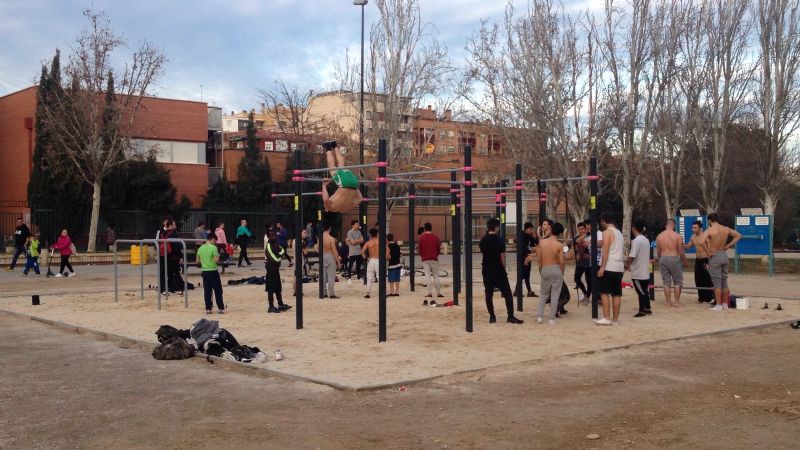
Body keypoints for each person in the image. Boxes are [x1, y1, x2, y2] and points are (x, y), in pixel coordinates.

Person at [479, 218, 524, 324]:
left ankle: (492, 317)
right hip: (498, 270)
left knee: (488, 293)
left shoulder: (483, 241)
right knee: (507, 294)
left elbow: (483, 254)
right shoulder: (499, 240)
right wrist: (503, 268)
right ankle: (510, 316)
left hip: (486, 270)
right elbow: (502, 257)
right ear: (496, 227)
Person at [702, 212, 742, 311]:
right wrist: (728, 246)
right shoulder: (726, 229)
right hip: (724, 255)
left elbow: (700, 241)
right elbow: (738, 235)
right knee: (724, 281)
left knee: (716, 283)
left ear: (709, 220)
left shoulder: (710, 230)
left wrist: (708, 252)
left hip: (714, 255)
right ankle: (725, 304)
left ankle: (718, 305)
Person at [595, 212, 624, 326]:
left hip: (609, 265)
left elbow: (605, 250)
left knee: (604, 292)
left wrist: (602, 267)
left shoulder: (606, 232)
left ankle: (607, 317)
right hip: (619, 266)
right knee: (617, 293)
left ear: (603, 220)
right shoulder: (619, 233)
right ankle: (615, 319)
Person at [319, 140, 364, 213]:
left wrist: (355, 187)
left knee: (341, 166)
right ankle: (328, 147)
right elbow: (326, 200)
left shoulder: (346, 209)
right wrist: (324, 185)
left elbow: (360, 199)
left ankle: (334, 145)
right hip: (344, 183)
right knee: (332, 167)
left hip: (354, 184)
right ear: (326, 210)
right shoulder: (330, 208)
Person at [536, 222, 565, 325]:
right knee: (555, 295)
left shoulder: (542, 243)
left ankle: (539, 317)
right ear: (560, 233)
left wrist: (541, 269)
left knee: (543, 294)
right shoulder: (559, 245)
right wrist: (562, 271)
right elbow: (562, 261)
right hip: (556, 268)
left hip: (545, 268)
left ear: (551, 229)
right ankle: (551, 319)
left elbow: (539, 258)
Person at [656, 218, 688, 307]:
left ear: (666, 225)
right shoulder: (677, 236)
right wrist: (684, 261)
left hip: (663, 257)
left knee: (666, 282)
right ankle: (676, 302)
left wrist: (660, 259)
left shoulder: (659, 236)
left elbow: (658, 251)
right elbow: (681, 251)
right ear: (674, 226)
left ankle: (668, 302)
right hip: (674, 257)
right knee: (677, 282)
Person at [626, 220, 652, 317]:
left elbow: (632, 256)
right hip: (645, 271)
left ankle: (642, 311)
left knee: (640, 292)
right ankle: (647, 308)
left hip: (638, 272)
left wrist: (626, 266)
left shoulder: (636, 241)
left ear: (634, 228)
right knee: (645, 290)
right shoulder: (646, 240)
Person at [684, 220, 714, 303]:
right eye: (692, 228)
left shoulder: (706, 236)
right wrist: (680, 243)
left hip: (706, 259)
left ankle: (709, 297)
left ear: (700, 228)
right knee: (698, 279)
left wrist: (710, 261)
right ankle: (701, 296)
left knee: (707, 279)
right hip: (698, 260)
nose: (693, 229)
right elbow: (688, 247)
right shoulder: (693, 237)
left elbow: (710, 249)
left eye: (695, 228)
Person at [264, 229, 292, 313]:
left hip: (276, 269)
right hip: (270, 269)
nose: (274, 237)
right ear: (269, 237)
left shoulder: (276, 244)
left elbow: (283, 250)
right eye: (272, 236)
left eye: (275, 235)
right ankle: (271, 306)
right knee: (271, 288)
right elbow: (274, 258)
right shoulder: (268, 246)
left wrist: (279, 255)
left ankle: (280, 304)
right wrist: (279, 256)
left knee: (278, 287)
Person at [197, 234, 225, 314]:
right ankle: (220, 307)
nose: (215, 243)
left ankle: (208, 308)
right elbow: (216, 260)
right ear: (212, 239)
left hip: (204, 271)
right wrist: (218, 256)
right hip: (212, 270)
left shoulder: (200, 248)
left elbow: (197, 261)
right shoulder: (213, 248)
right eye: (215, 241)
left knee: (207, 290)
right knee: (218, 290)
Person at [361, 228, 389, 299]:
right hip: (379, 260)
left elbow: (362, 251)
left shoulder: (368, 242)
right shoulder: (380, 241)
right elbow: (388, 250)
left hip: (371, 260)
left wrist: (365, 258)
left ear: (370, 234)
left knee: (369, 277)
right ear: (377, 234)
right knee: (380, 277)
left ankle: (368, 292)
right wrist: (385, 258)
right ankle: (383, 292)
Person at [418, 222, 444, 298]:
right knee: (436, 276)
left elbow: (420, 250)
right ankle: (438, 293)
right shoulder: (435, 237)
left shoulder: (421, 238)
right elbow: (438, 249)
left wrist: (423, 256)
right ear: (431, 228)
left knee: (428, 276)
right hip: (434, 259)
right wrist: (436, 255)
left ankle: (430, 293)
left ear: (425, 229)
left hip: (425, 259)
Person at [516, 222, 539, 298]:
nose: (531, 230)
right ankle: (517, 291)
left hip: (528, 257)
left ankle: (528, 291)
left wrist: (537, 236)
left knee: (526, 276)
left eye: (532, 229)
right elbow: (523, 248)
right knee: (522, 275)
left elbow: (535, 242)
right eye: (530, 229)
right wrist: (530, 249)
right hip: (522, 258)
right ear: (526, 229)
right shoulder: (521, 236)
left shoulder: (529, 236)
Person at [163, 220, 184, 296]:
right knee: (176, 273)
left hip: (166, 256)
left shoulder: (163, 233)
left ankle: (169, 288)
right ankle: (181, 289)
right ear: (170, 225)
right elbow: (178, 246)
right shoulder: (174, 234)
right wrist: (181, 257)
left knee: (169, 274)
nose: (175, 226)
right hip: (174, 256)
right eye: (174, 225)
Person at [573, 222, 592, 304]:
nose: (580, 230)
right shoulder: (577, 237)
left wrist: (588, 234)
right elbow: (576, 242)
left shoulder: (591, 237)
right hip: (580, 262)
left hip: (588, 262)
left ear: (585, 228)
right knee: (576, 278)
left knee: (589, 281)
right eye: (579, 229)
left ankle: (587, 297)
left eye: (582, 229)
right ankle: (585, 293)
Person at [321, 223, 341, 299]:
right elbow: (334, 251)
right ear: (330, 228)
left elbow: (317, 248)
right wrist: (338, 262)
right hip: (330, 255)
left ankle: (323, 292)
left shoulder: (320, 238)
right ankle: (331, 293)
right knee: (331, 276)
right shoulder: (331, 238)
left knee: (323, 276)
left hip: (322, 255)